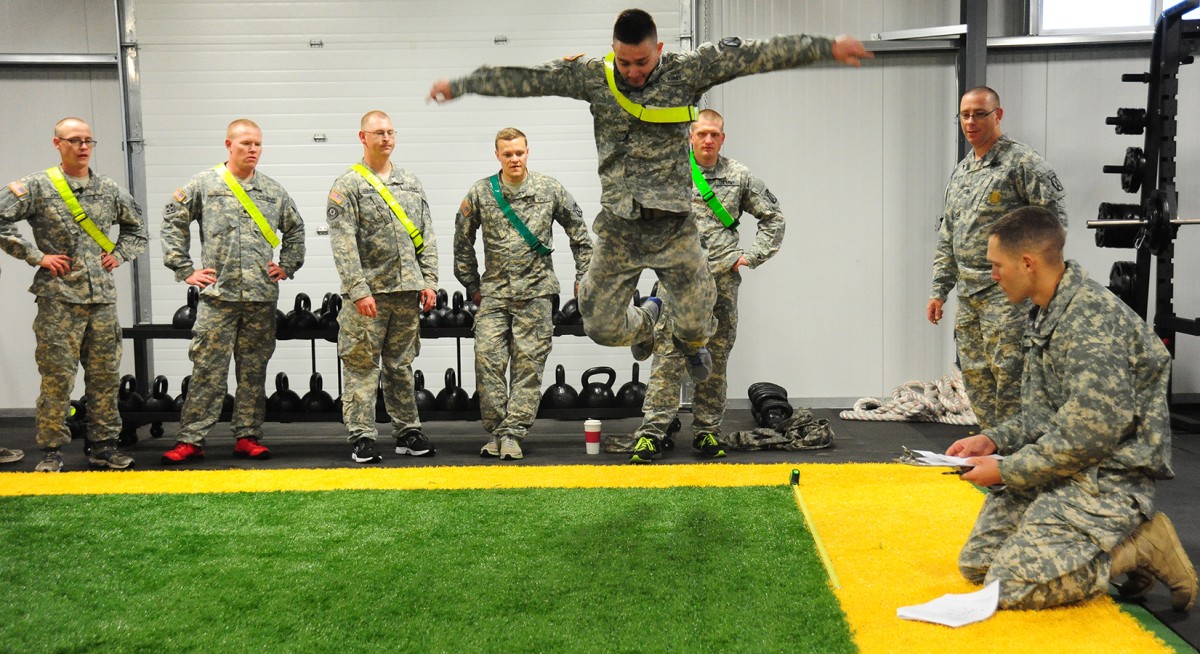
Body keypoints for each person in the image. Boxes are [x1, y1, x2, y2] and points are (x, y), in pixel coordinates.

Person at [430, 9, 869, 389]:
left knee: (698, 323)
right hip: (620, 228)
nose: (632, 72)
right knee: (599, 326)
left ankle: (690, 341)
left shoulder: (688, 70)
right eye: (624, 61)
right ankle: (648, 318)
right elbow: (529, 80)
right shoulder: (595, 76)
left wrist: (827, 47)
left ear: (659, 48)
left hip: (675, 227)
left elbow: (757, 55)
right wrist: (463, 84)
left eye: (641, 62)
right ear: (612, 50)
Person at [946, 206, 1196, 612]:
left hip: (1106, 477)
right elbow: (1042, 417)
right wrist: (991, 439)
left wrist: (1007, 470)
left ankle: (1141, 546)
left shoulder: (1089, 321)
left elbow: (1089, 435)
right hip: (1066, 467)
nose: (993, 276)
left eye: (997, 266)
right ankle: (1118, 546)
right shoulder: (1047, 310)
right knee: (979, 564)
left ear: (1027, 263)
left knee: (1007, 588)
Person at [630, 109, 783, 464]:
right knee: (669, 354)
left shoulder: (738, 176)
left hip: (722, 281)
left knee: (714, 355)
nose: (708, 140)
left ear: (723, 138)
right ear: (690, 137)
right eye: (702, 134)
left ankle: (707, 432)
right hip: (678, 282)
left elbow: (773, 216)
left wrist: (751, 256)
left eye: (715, 134)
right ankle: (651, 434)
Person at [0, 117, 148, 472]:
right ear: (57, 143)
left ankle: (103, 446)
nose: (83, 147)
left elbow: (137, 229)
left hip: (101, 301)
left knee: (105, 377)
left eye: (88, 141)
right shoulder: (37, 186)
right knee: (57, 376)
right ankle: (51, 449)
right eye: (74, 140)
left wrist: (120, 253)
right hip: (59, 299)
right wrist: (36, 256)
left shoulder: (109, 189)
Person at [160, 119, 306, 464]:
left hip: (260, 298)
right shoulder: (205, 184)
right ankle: (191, 439)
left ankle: (248, 435)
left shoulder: (273, 191)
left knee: (253, 372)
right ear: (229, 145)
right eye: (245, 144)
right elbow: (173, 220)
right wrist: (184, 269)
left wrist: (287, 265)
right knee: (207, 370)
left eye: (257, 144)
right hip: (217, 299)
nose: (252, 150)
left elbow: (296, 230)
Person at [927, 86, 1067, 431]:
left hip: (1008, 295)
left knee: (1011, 374)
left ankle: (1020, 454)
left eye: (979, 114)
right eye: (965, 114)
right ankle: (993, 444)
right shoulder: (962, 172)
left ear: (998, 115)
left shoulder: (1022, 163)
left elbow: (1053, 222)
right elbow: (949, 235)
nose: (971, 122)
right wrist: (938, 290)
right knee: (976, 376)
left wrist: (1033, 277)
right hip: (970, 294)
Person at [453, 127, 593, 461]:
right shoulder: (481, 192)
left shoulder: (549, 189)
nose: (514, 159)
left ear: (528, 152)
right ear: (497, 155)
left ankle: (513, 434)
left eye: (519, 153)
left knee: (528, 367)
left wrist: (583, 275)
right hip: (495, 296)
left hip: (536, 293)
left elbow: (580, 233)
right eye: (507, 154)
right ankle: (497, 431)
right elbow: (462, 240)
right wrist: (472, 284)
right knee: (487, 363)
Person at [328, 110, 438, 464]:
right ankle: (362, 436)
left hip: (407, 293)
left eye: (390, 132)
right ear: (363, 138)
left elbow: (427, 235)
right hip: (369, 297)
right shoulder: (348, 186)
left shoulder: (411, 182)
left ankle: (407, 431)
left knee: (401, 365)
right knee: (362, 365)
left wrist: (429, 280)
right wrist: (358, 291)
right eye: (378, 133)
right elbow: (343, 245)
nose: (386, 138)